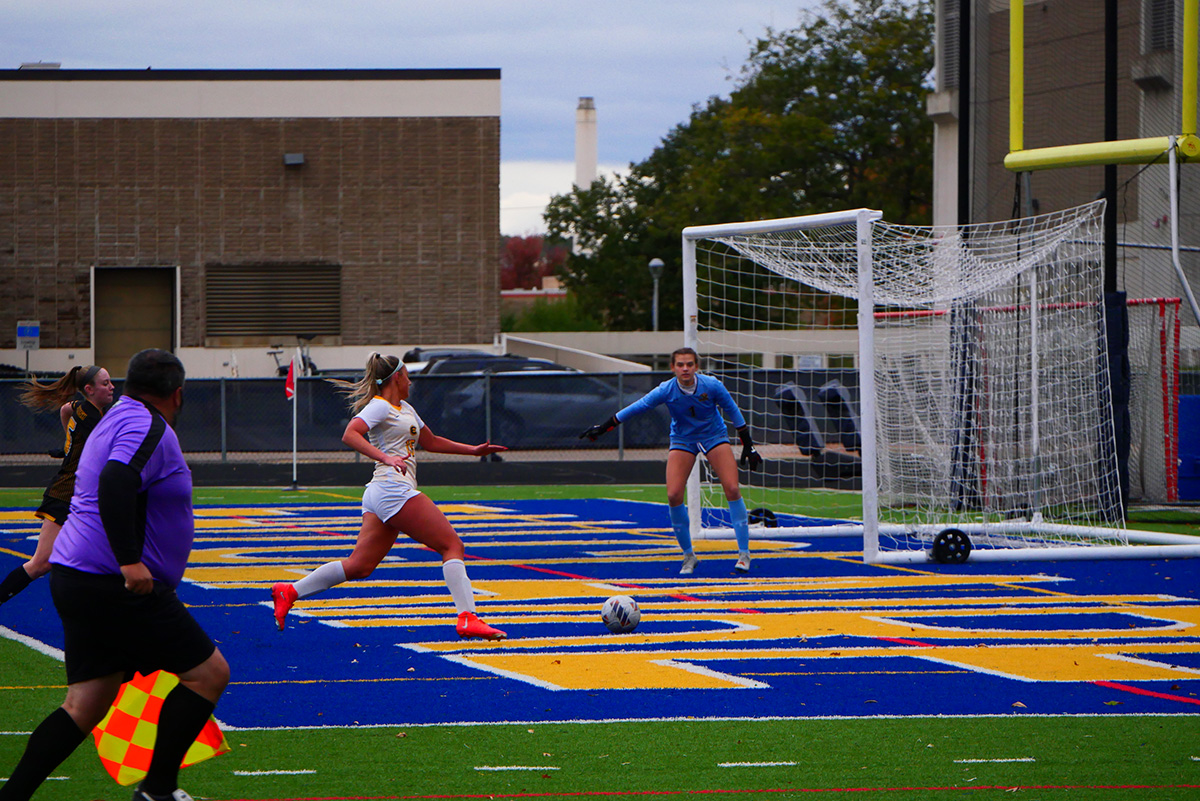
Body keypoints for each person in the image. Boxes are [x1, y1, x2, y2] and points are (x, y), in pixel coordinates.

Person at [0, 349, 229, 801]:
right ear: (177, 394)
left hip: (78, 576)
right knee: (208, 674)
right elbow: (117, 480)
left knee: (84, 705)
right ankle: (158, 790)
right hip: (113, 581)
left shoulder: (117, 415)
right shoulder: (145, 422)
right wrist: (129, 560)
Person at [271, 352, 509, 640]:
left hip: (381, 492)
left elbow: (430, 442)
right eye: (407, 376)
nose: (410, 382)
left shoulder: (405, 408)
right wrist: (385, 456)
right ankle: (467, 617)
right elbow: (351, 434)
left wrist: (472, 451)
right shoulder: (380, 407)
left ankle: (290, 590)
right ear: (397, 377)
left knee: (360, 566)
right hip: (392, 489)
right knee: (452, 545)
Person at [581, 347, 762, 574]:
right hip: (683, 439)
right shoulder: (666, 389)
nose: (685, 369)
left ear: (696, 366)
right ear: (673, 368)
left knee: (733, 488)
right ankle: (688, 556)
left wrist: (749, 445)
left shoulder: (712, 385)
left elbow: (733, 411)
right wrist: (605, 427)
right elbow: (638, 407)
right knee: (674, 494)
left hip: (714, 436)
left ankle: (744, 554)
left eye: (689, 364)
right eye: (680, 365)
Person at [0, 364, 115, 607]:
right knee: (41, 563)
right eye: (105, 383)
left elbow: (65, 409)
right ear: (89, 389)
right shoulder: (93, 418)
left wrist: (67, 446)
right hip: (66, 494)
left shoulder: (84, 409)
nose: (112, 387)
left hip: (83, 497)